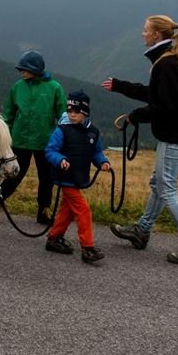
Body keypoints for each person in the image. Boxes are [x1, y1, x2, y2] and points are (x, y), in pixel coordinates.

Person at [102, 15, 178, 267]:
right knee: (159, 183)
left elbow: (166, 107)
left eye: (145, 30)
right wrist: (120, 86)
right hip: (176, 134)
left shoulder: (166, 64)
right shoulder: (167, 61)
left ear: (156, 36)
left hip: (174, 135)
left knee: (167, 189)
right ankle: (141, 230)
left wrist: (136, 116)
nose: (142, 34)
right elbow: (156, 94)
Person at [0, 50, 66, 225]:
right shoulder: (17, 87)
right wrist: (3, 137)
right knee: (14, 174)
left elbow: (63, 115)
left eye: (24, 69)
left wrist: (65, 138)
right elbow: (9, 115)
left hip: (46, 142)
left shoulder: (54, 88)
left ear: (35, 69)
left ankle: (43, 211)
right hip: (20, 139)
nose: (21, 72)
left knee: (47, 178)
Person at [43, 91, 110, 264]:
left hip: (78, 177)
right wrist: (61, 160)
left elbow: (96, 152)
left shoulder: (93, 133)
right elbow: (50, 151)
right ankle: (87, 248)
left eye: (76, 111)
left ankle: (54, 238)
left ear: (85, 112)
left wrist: (102, 162)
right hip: (65, 177)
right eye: (69, 110)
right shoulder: (62, 130)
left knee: (68, 209)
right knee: (83, 210)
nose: (71, 114)